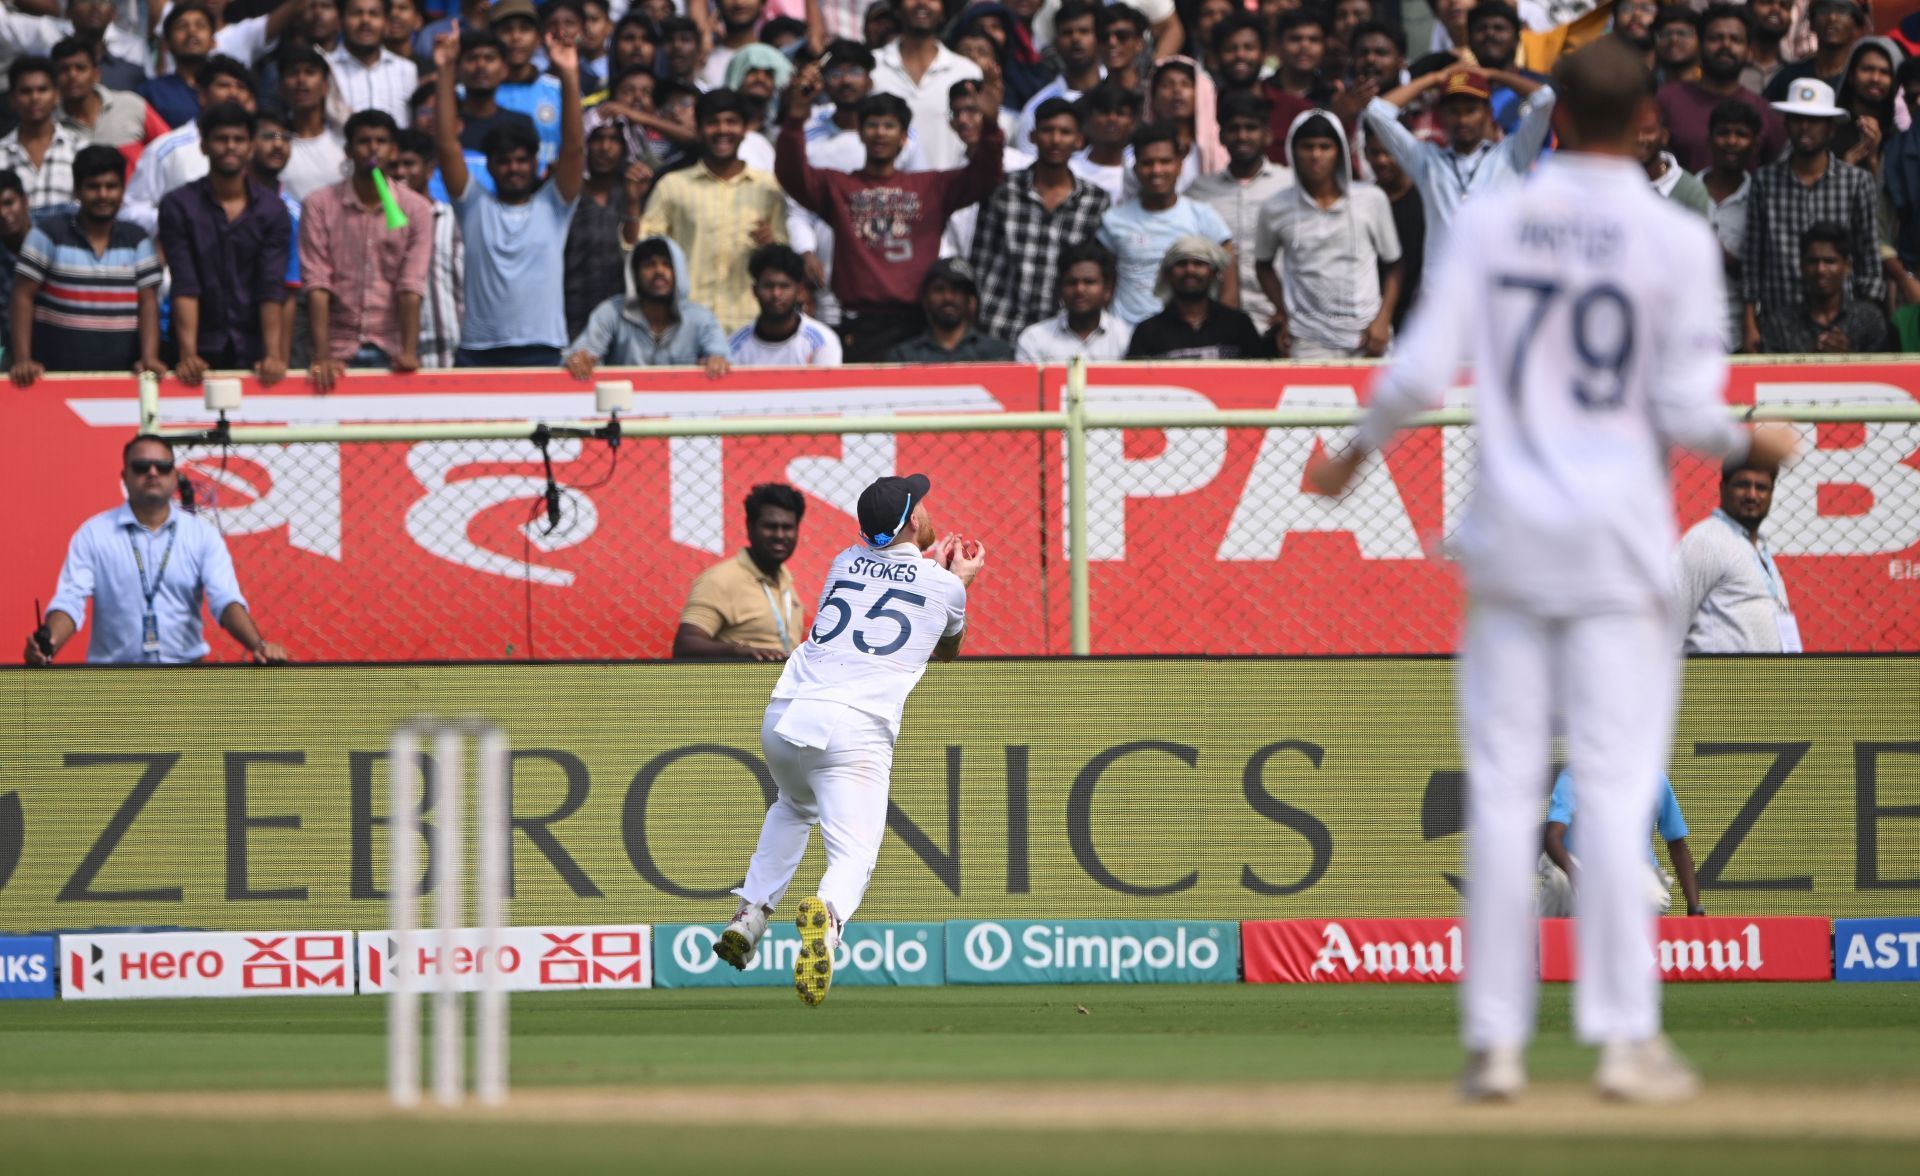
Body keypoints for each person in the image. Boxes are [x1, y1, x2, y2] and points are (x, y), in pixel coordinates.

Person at [1305, 38, 1797, 1104]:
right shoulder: (1673, 240)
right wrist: (1757, 442)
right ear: (1649, 126)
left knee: (1503, 788)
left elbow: (1421, 371)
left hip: (1513, 544)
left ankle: (1494, 1045)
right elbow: (1685, 413)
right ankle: (1624, 1042)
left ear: (1555, 119)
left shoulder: (1494, 222)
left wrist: (1349, 458)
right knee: (1618, 793)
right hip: (1619, 553)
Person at [711, 471, 986, 1007]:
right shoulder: (945, 585)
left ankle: (749, 917)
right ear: (911, 521)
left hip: (786, 716)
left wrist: (933, 568)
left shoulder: (842, 561)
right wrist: (960, 580)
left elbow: (894, 571)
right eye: (921, 504)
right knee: (854, 853)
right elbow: (946, 649)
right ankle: (828, 921)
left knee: (793, 807)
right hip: (854, 728)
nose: (928, 508)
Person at [776, 66, 1004, 362]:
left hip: (918, 325)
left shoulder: (931, 186)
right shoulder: (837, 186)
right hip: (860, 326)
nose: (880, 133)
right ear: (860, 133)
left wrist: (991, 126)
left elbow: (985, 177)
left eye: (889, 125)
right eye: (872, 125)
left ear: (903, 137)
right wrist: (795, 116)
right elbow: (791, 175)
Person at [24, 435, 290, 666]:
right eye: (141, 467)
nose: (152, 473)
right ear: (124, 477)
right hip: (112, 680)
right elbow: (70, 602)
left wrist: (258, 645)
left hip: (186, 677)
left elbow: (225, 600)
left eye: (162, 467)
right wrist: (48, 644)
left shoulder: (201, 536)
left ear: (175, 477)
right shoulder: (94, 534)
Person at [434, 24, 584, 367]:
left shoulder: (554, 205)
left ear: (536, 163)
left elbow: (574, 148)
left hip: (543, 348)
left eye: (521, 160)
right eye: (504, 161)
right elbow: (445, 146)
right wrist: (445, 70)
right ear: (490, 166)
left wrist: (570, 75)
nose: (514, 168)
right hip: (478, 352)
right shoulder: (473, 206)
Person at [1364, 64, 1556, 268]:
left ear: (1488, 113)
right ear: (1442, 116)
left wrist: (1493, 74)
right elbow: (1377, 112)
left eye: (1471, 110)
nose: (1462, 120)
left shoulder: (1513, 153)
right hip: (1442, 289)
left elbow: (1545, 98)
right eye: (1454, 112)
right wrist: (1434, 78)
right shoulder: (1426, 159)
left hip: (1495, 286)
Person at [157, 101, 293, 386]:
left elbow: (271, 286)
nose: (230, 147)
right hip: (199, 349)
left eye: (239, 139)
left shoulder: (272, 209)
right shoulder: (179, 205)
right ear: (204, 146)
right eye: (221, 139)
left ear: (251, 146)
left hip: (254, 351)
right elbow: (185, 282)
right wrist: (188, 355)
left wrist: (274, 355)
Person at [1740, 78, 1880, 353]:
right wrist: (1749, 324)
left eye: (1814, 120)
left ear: (1830, 128)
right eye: (1797, 119)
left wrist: (1863, 325)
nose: (1805, 127)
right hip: (1779, 322)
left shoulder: (1856, 182)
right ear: (1787, 124)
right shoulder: (1764, 182)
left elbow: (1868, 258)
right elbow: (1753, 259)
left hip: (1842, 322)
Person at [8, 145, 163, 386]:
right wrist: (22, 359)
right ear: (77, 190)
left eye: (111, 187)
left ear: (122, 190)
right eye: (93, 187)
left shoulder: (138, 240)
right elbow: (22, 296)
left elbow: (148, 303)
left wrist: (149, 357)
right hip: (53, 379)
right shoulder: (48, 234)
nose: (103, 195)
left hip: (122, 379)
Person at [300, 109, 432, 389]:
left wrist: (408, 352)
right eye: (363, 141)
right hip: (336, 351)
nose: (373, 148)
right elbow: (317, 282)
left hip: (393, 349)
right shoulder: (319, 205)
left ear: (393, 150)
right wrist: (322, 355)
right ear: (348, 150)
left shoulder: (417, 209)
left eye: (381, 141)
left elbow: (411, 283)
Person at [639, 88, 788, 335]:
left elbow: (785, 256)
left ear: (745, 130)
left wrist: (772, 245)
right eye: (712, 123)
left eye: (731, 122)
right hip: (685, 326)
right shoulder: (672, 186)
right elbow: (644, 251)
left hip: (750, 327)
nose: (722, 130)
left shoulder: (768, 188)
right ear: (698, 129)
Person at [1254, 110, 1399, 358]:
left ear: (1339, 151)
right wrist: (1285, 311)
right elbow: (1263, 264)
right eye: (1307, 147)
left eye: (1325, 147)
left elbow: (1395, 264)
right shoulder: (1275, 207)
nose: (1315, 155)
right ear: (1293, 151)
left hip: (1367, 335)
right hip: (1309, 340)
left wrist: (1382, 320)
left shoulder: (1371, 199)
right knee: (1311, 399)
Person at [968, 94, 1109, 342]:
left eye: (1065, 132)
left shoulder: (1095, 201)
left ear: (1078, 141)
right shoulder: (1002, 190)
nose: (1055, 140)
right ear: (1033, 137)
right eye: (1047, 130)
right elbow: (980, 261)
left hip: (1062, 334)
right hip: (999, 327)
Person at [1097, 122, 1234, 326]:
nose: (1156, 170)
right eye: (1147, 163)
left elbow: (1230, 274)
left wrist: (1222, 327)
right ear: (1135, 168)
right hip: (1127, 333)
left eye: (1165, 161)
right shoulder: (1114, 220)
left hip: (1188, 336)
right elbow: (1103, 280)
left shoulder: (1203, 216)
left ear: (1179, 165)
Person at [1673, 454, 1800, 653]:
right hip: (1719, 682)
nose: (1752, 495)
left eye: (1761, 488)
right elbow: (1667, 627)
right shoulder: (1706, 541)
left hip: (1768, 681)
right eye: (1742, 485)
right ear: (1723, 488)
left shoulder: (1759, 548)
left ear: (1771, 493)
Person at [1538, 770, 1705, 920]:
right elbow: (1552, 836)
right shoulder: (1574, 776)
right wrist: (1576, 874)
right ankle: (1541, 940)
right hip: (1576, 861)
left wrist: (1695, 907)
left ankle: (1631, 947)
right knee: (1559, 882)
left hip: (1633, 865)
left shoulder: (1654, 780)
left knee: (1653, 898)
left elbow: (1677, 845)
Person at [1187, 90, 1291, 328]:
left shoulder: (1290, 185)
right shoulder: (1199, 192)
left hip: (1278, 318)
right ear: (1221, 136)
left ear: (1267, 135)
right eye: (1234, 129)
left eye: (1251, 128)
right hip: (1217, 320)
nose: (1242, 136)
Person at [122, 55, 259, 234]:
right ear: (202, 96)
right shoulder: (167, 150)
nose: (234, 93)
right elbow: (129, 211)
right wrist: (179, 221)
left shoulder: (259, 150)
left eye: (241, 87)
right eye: (224, 85)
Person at [674, 481, 809, 660]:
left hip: (781, 687)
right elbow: (685, 645)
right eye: (770, 527)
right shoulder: (720, 579)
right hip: (737, 686)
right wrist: (738, 651)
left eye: (787, 527)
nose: (779, 535)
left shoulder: (786, 583)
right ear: (749, 527)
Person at [565, 235, 731, 374]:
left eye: (667, 264)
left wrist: (717, 361)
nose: (659, 271)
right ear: (634, 276)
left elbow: (722, 358)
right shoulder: (611, 312)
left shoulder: (701, 319)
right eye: (649, 265)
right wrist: (579, 360)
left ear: (679, 272)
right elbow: (580, 354)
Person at [1657, 5, 1786, 175]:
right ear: (1700, 45)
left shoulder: (1764, 112)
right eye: (1715, 38)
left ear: (1749, 51)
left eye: (1735, 39)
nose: (1726, 45)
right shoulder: (1665, 100)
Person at [564, 113, 649, 340]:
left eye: (614, 140)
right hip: (570, 317)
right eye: (597, 139)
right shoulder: (566, 195)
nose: (604, 147)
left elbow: (636, 249)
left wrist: (633, 202)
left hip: (625, 319)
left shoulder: (637, 194)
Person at [872, 0, 983, 170]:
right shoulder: (872, 67)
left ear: (944, 10)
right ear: (897, 7)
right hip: (887, 192)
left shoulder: (967, 71)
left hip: (949, 189)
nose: (922, 3)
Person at [1125, 233, 1271, 359]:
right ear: (1168, 274)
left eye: (1199, 263)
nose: (1190, 270)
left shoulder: (1239, 326)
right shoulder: (1148, 332)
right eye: (1181, 263)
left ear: (1214, 274)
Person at [1755, 219, 1889, 353]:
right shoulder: (1779, 324)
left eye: (1830, 262)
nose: (1821, 270)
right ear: (1801, 267)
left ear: (1847, 266)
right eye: (1813, 262)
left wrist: (1847, 358)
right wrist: (1811, 361)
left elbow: (1883, 372)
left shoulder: (1869, 320)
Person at [387, 127, 462, 368]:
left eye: (409, 164)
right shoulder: (374, 223)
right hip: (392, 353)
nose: (400, 172)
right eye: (394, 165)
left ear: (430, 169)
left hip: (448, 350)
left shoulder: (452, 221)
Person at [50, 36, 168, 167]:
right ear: (54, 78)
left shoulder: (132, 105)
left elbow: (170, 149)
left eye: (80, 68)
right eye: (64, 70)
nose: (72, 75)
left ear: (96, 75)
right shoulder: (49, 124)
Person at [449, 30, 540, 197]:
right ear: (457, 69)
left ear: (504, 69)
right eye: (472, 58)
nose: (481, 65)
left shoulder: (521, 123)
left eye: (489, 58)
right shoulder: (449, 128)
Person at [1699, 99, 1758, 350]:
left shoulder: (1760, 197)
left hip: (1737, 333)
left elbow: (1764, 271)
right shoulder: (1686, 192)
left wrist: (1724, 257)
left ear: (1753, 143)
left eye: (1741, 134)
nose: (1732, 141)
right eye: (1723, 133)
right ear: (1709, 139)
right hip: (1689, 328)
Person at [1014, 239, 1131, 361]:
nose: (1079, 289)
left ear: (1107, 290)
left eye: (1089, 282)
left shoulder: (1125, 338)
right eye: (1071, 282)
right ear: (1060, 288)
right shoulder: (1034, 339)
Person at [729, 243, 843, 366]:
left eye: (784, 286)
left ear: (799, 290)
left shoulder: (822, 342)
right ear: (755, 290)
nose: (776, 294)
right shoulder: (734, 346)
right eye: (768, 286)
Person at [884, 257, 1015, 361]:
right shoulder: (903, 357)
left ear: (970, 300)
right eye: (939, 289)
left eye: (956, 290)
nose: (948, 297)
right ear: (925, 299)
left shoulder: (996, 353)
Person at [1011, 0, 1100, 153]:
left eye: (1084, 31)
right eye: (1067, 32)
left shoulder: (1120, 93)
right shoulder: (1036, 109)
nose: (1075, 39)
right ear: (1056, 43)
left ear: (1099, 38)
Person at [1, 57, 85, 210]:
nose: (35, 98)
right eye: (26, 91)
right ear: (12, 99)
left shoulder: (79, 150)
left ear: (56, 95)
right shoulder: (1, 154)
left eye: (42, 90)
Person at [491, 0, 565, 168]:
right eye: (506, 29)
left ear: (538, 37)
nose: (516, 37)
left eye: (525, 29)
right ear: (493, 37)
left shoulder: (559, 91)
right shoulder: (474, 93)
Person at [1363, 132, 1423, 333]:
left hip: (1420, 318)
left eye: (1389, 152)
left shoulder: (1427, 200)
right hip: (1371, 321)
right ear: (1365, 154)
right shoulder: (1361, 203)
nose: (1382, 161)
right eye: (1375, 153)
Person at [277, 46, 350, 202]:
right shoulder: (274, 145)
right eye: (293, 73)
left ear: (325, 87)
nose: (301, 80)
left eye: (310, 72)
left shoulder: (344, 143)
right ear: (281, 89)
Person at [1466, 2, 1548, 137]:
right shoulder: (1461, 91)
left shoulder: (1542, 85)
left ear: (1517, 40)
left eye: (1499, 28)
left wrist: (1494, 74)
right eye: (1481, 29)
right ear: (1469, 41)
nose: (1489, 33)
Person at [330, 0, 419, 123]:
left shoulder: (407, 70)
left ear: (386, 22)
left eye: (374, 14)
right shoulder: (327, 68)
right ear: (341, 21)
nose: (365, 20)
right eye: (357, 13)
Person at [1763, 0, 1865, 103]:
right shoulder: (1789, 76)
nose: (1832, 17)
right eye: (1823, 10)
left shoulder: (1860, 80)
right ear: (1811, 24)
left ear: (1857, 28)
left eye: (1842, 11)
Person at [1261, 8, 1331, 156]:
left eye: (1314, 40)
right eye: (1295, 39)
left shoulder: (1334, 97)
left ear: (1325, 46)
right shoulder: (1261, 94)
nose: (1304, 46)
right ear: (1278, 45)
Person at [1637, 99, 1710, 217]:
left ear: (1664, 136)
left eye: (1648, 131)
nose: (1639, 138)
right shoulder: (1612, 181)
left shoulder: (1691, 191)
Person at [1068, 81, 1138, 201]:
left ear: (1132, 124)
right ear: (1088, 120)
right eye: (1104, 112)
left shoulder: (1139, 173)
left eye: (1120, 113)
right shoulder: (1068, 169)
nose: (1112, 119)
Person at [1652, 6, 1701, 86]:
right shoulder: (1643, 85)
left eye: (1682, 33)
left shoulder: (1715, 85)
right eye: (1665, 34)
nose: (1673, 40)